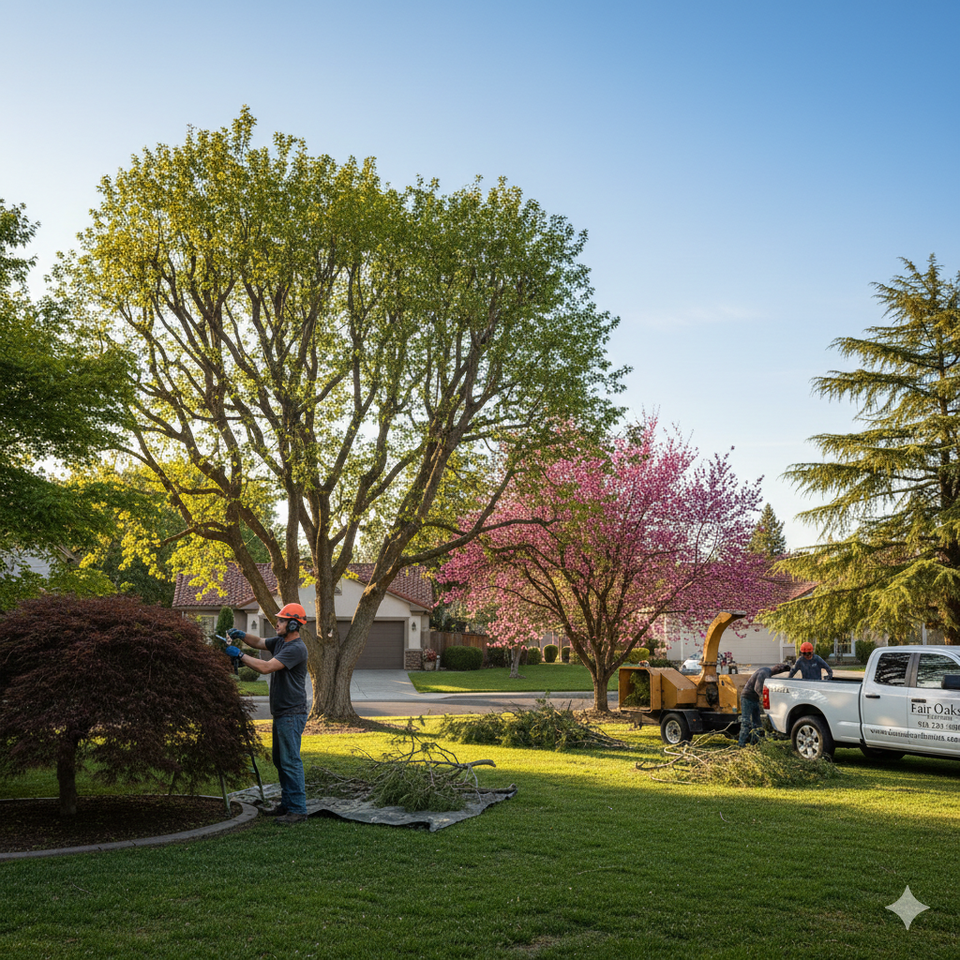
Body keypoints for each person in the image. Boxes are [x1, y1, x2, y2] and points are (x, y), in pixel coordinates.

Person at [226, 603, 310, 825]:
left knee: (290, 761)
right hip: (282, 712)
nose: (277, 623)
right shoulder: (281, 642)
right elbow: (259, 642)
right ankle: (287, 804)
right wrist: (242, 635)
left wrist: (240, 655)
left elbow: (266, 667)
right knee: (280, 761)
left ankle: (298, 810)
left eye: (281, 620)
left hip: (292, 713)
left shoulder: (296, 648)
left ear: (293, 625)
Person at [738, 662, 789, 748]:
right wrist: (763, 698)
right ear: (777, 667)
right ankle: (741, 744)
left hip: (754, 699)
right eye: (779, 671)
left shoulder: (767, 673)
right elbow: (757, 688)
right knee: (746, 722)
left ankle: (756, 742)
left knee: (757, 722)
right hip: (747, 698)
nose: (778, 673)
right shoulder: (764, 672)